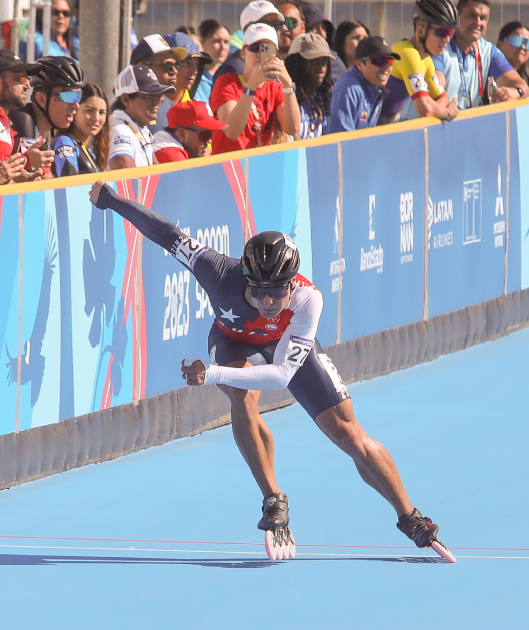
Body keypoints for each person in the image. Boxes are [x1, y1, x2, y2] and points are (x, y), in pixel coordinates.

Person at [87, 181, 452, 559]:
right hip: (233, 340)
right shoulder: (216, 270)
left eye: (277, 291)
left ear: (292, 283)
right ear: (245, 277)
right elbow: (166, 233)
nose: (267, 300)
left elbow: (281, 375)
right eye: (258, 290)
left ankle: (410, 517)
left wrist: (212, 373)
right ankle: (273, 499)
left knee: (349, 433)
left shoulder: (309, 299)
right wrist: (111, 200)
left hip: (286, 348)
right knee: (242, 397)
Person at [209, 23, 300, 154]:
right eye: (255, 47)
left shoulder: (275, 88)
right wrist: (251, 87)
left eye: (267, 48)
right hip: (229, 164)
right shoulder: (226, 82)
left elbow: (292, 128)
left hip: (258, 162)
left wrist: (288, 85)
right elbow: (232, 132)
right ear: (243, 53)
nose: (259, 53)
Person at [0, 50, 50, 176]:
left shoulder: (2, 119)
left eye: (27, 78)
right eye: (21, 77)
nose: (28, 85)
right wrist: (25, 161)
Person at [381, 0, 459, 124]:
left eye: (451, 33)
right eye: (442, 32)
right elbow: (425, 109)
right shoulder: (408, 54)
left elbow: (443, 99)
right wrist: (448, 112)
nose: (448, 40)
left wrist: (438, 108)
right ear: (420, 30)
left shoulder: (426, 59)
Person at [441, 0, 529, 108]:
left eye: (483, 18)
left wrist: (514, 92)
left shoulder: (488, 50)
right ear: (458, 16)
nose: (478, 23)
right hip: (441, 116)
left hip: (471, 117)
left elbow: (523, 86)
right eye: (472, 16)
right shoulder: (440, 44)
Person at [108, 64, 175, 170]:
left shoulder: (139, 127)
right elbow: (127, 175)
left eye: (159, 95)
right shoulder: (119, 129)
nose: (157, 101)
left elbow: (158, 172)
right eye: (149, 95)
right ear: (125, 99)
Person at [325, 36, 394, 134]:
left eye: (390, 62)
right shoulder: (348, 89)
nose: (386, 67)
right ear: (359, 64)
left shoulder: (376, 89)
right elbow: (341, 137)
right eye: (380, 61)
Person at [211, 1, 288, 85]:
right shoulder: (232, 69)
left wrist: (289, 86)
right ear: (248, 29)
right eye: (266, 25)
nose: (271, 30)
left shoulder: (279, 65)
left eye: (277, 24)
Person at [22, 56, 86, 146]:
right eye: (69, 96)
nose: (76, 105)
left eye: (78, 96)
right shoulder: (21, 123)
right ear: (41, 99)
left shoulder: (42, 135)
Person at [52, 83, 109, 176]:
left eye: (102, 112)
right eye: (89, 110)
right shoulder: (65, 142)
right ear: (74, 110)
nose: (96, 118)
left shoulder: (89, 152)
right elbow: (69, 182)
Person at [284, 33, 334, 139]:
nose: (321, 68)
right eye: (314, 62)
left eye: (324, 62)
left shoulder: (321, 97)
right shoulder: (284, 94)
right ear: (296, 63)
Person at [156, 32, 206, 131]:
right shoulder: (145, 105)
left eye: (196, 64)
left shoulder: (197, 111)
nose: (194, 71)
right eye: (187, 62)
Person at [152, 100, 228, 163]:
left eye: (211, 134)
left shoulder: (166, 139)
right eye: (206, 135)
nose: (209, 141)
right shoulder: (172, 156)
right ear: (182, 134)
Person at [195, 20, 232, 103]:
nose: (223, 47)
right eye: (216, 41)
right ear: (202, 42)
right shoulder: (193, 75)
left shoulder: (230, 75)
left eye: (226, 42)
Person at [497, 22, 529, 92]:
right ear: (500, 44)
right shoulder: (486, 73)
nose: (523, 47)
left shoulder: (524, 79)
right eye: (517, 40)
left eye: (528, 43)